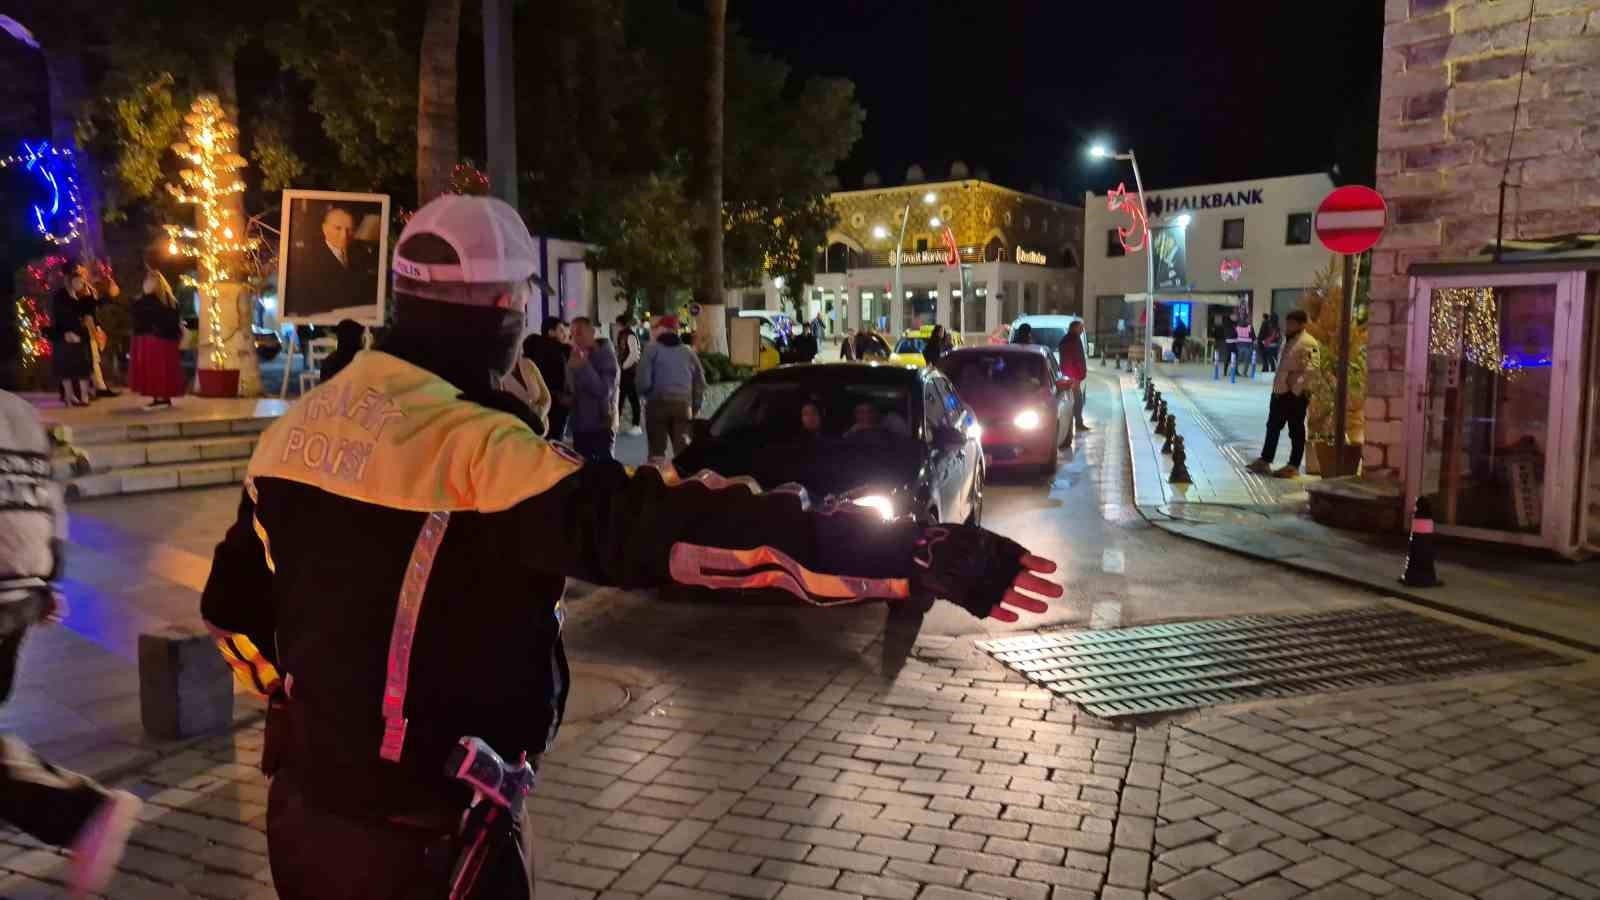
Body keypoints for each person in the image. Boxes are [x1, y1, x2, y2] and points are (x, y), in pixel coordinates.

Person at [197, 194, 1062, 900]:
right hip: (428, 851)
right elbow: (682, 529)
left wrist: (323, 717)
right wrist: (912, 553)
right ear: (507, 310)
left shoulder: (296, 434)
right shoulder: (481, 456)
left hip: (302, 824)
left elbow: (230, 611)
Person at [0, 388, 143, 895]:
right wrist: (47, 578)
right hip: (18, 593)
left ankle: (79, 813)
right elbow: (46, 497)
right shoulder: (17, 411)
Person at [1246, 309, 1321, 479]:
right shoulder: (1289, 340)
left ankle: (1293, 465)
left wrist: (1296, 390)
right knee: (1272, 426)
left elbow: (1312, 368)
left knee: (1296, 429)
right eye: (1287, 323)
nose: (1288, 326)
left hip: (1295, 395)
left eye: (1292, 323)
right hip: (1280, 392)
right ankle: (1265, 460)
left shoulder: (1309, 342)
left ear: (1302, 324)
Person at [636, 314, 706, 460]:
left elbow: (643, 381)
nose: (653, 331)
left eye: (656, 328)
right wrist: (695, 406)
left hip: (657, 404)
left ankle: (657, 480)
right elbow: (699, 382)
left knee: (657, 453)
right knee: (683, 452)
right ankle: (684, 479)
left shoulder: (651, 350)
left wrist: (646, 394)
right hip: (683, 406)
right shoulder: (688, 352)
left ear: (663, 329)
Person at [290, 205, 378, 317]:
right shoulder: (306, 260)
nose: (344, 235)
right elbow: (303, 305)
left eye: (350, 229)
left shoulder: (361, 254)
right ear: (324, 229)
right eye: (338, 228)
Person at [129, 267, 185, 408]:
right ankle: (161, 397)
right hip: (161, 338)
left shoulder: (156, 300)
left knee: (157, 368)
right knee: (158, 369)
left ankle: (161, 398)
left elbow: (142, 315)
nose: (147, 283)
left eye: (150, 281)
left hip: (156, 339)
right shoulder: (168, 300)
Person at [567, 317, 620, 463]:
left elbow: (604, 390)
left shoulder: (606, 355)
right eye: (572, 334)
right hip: (579, 425)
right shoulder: (577, 354)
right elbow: (571, 389)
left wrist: (583, 366)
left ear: (592, 332)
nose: (575, 338)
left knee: (604, 472)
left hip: (600, 424)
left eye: (579, 333)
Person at [49, 267, 94, 407]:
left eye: (82, 281)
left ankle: (84, 397)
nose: (81, 284)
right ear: (71, 282)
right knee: (66, 367)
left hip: (80, 334)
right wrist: (66, 333)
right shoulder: (60, 296)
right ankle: (70, 396)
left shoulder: (83, 296)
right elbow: (59, 317)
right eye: (78, 281)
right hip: (64, 335)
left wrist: (88, 297)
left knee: (83, 366)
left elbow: (89, 314)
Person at [523, 317, 572, 441]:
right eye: (561, 330)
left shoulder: (533, 348)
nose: (565, 333)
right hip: (557, 403)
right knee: (555, 441)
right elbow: (564, 381)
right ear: (551, 332)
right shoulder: (557, 352)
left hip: (538, 403)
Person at [500, 343, 552, 436]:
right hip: (518, 432)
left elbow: (546, 397)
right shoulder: (500, 375)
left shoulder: (528, 364)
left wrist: (538, 418)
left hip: (542, 427)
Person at [1057, 320, 1090, 432]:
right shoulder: (1071, 341)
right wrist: (1075, 377)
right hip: (1072, 377)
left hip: (1074, 376)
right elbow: (1071, 361)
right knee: (1076, 401)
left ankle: (1076, 424)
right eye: (1080, 328)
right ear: (1074, 328)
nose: (1082, 330)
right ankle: (1076, 425)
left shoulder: (1072, 339)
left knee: (1076, 401)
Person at [613, 314, 643, 435]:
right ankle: (619, 423)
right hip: (626, 371)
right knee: (622, 397)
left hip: (629, 372)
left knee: (631, 398)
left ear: (620, 323)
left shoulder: (629, 335)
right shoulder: (626, 334)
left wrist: (623, 366)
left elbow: (634, 354)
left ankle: (635, 424)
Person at [316, 319, 367, 384]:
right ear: (356, 339)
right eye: (361, 337)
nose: (363, 341)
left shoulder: (329, 361)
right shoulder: (362, 362)